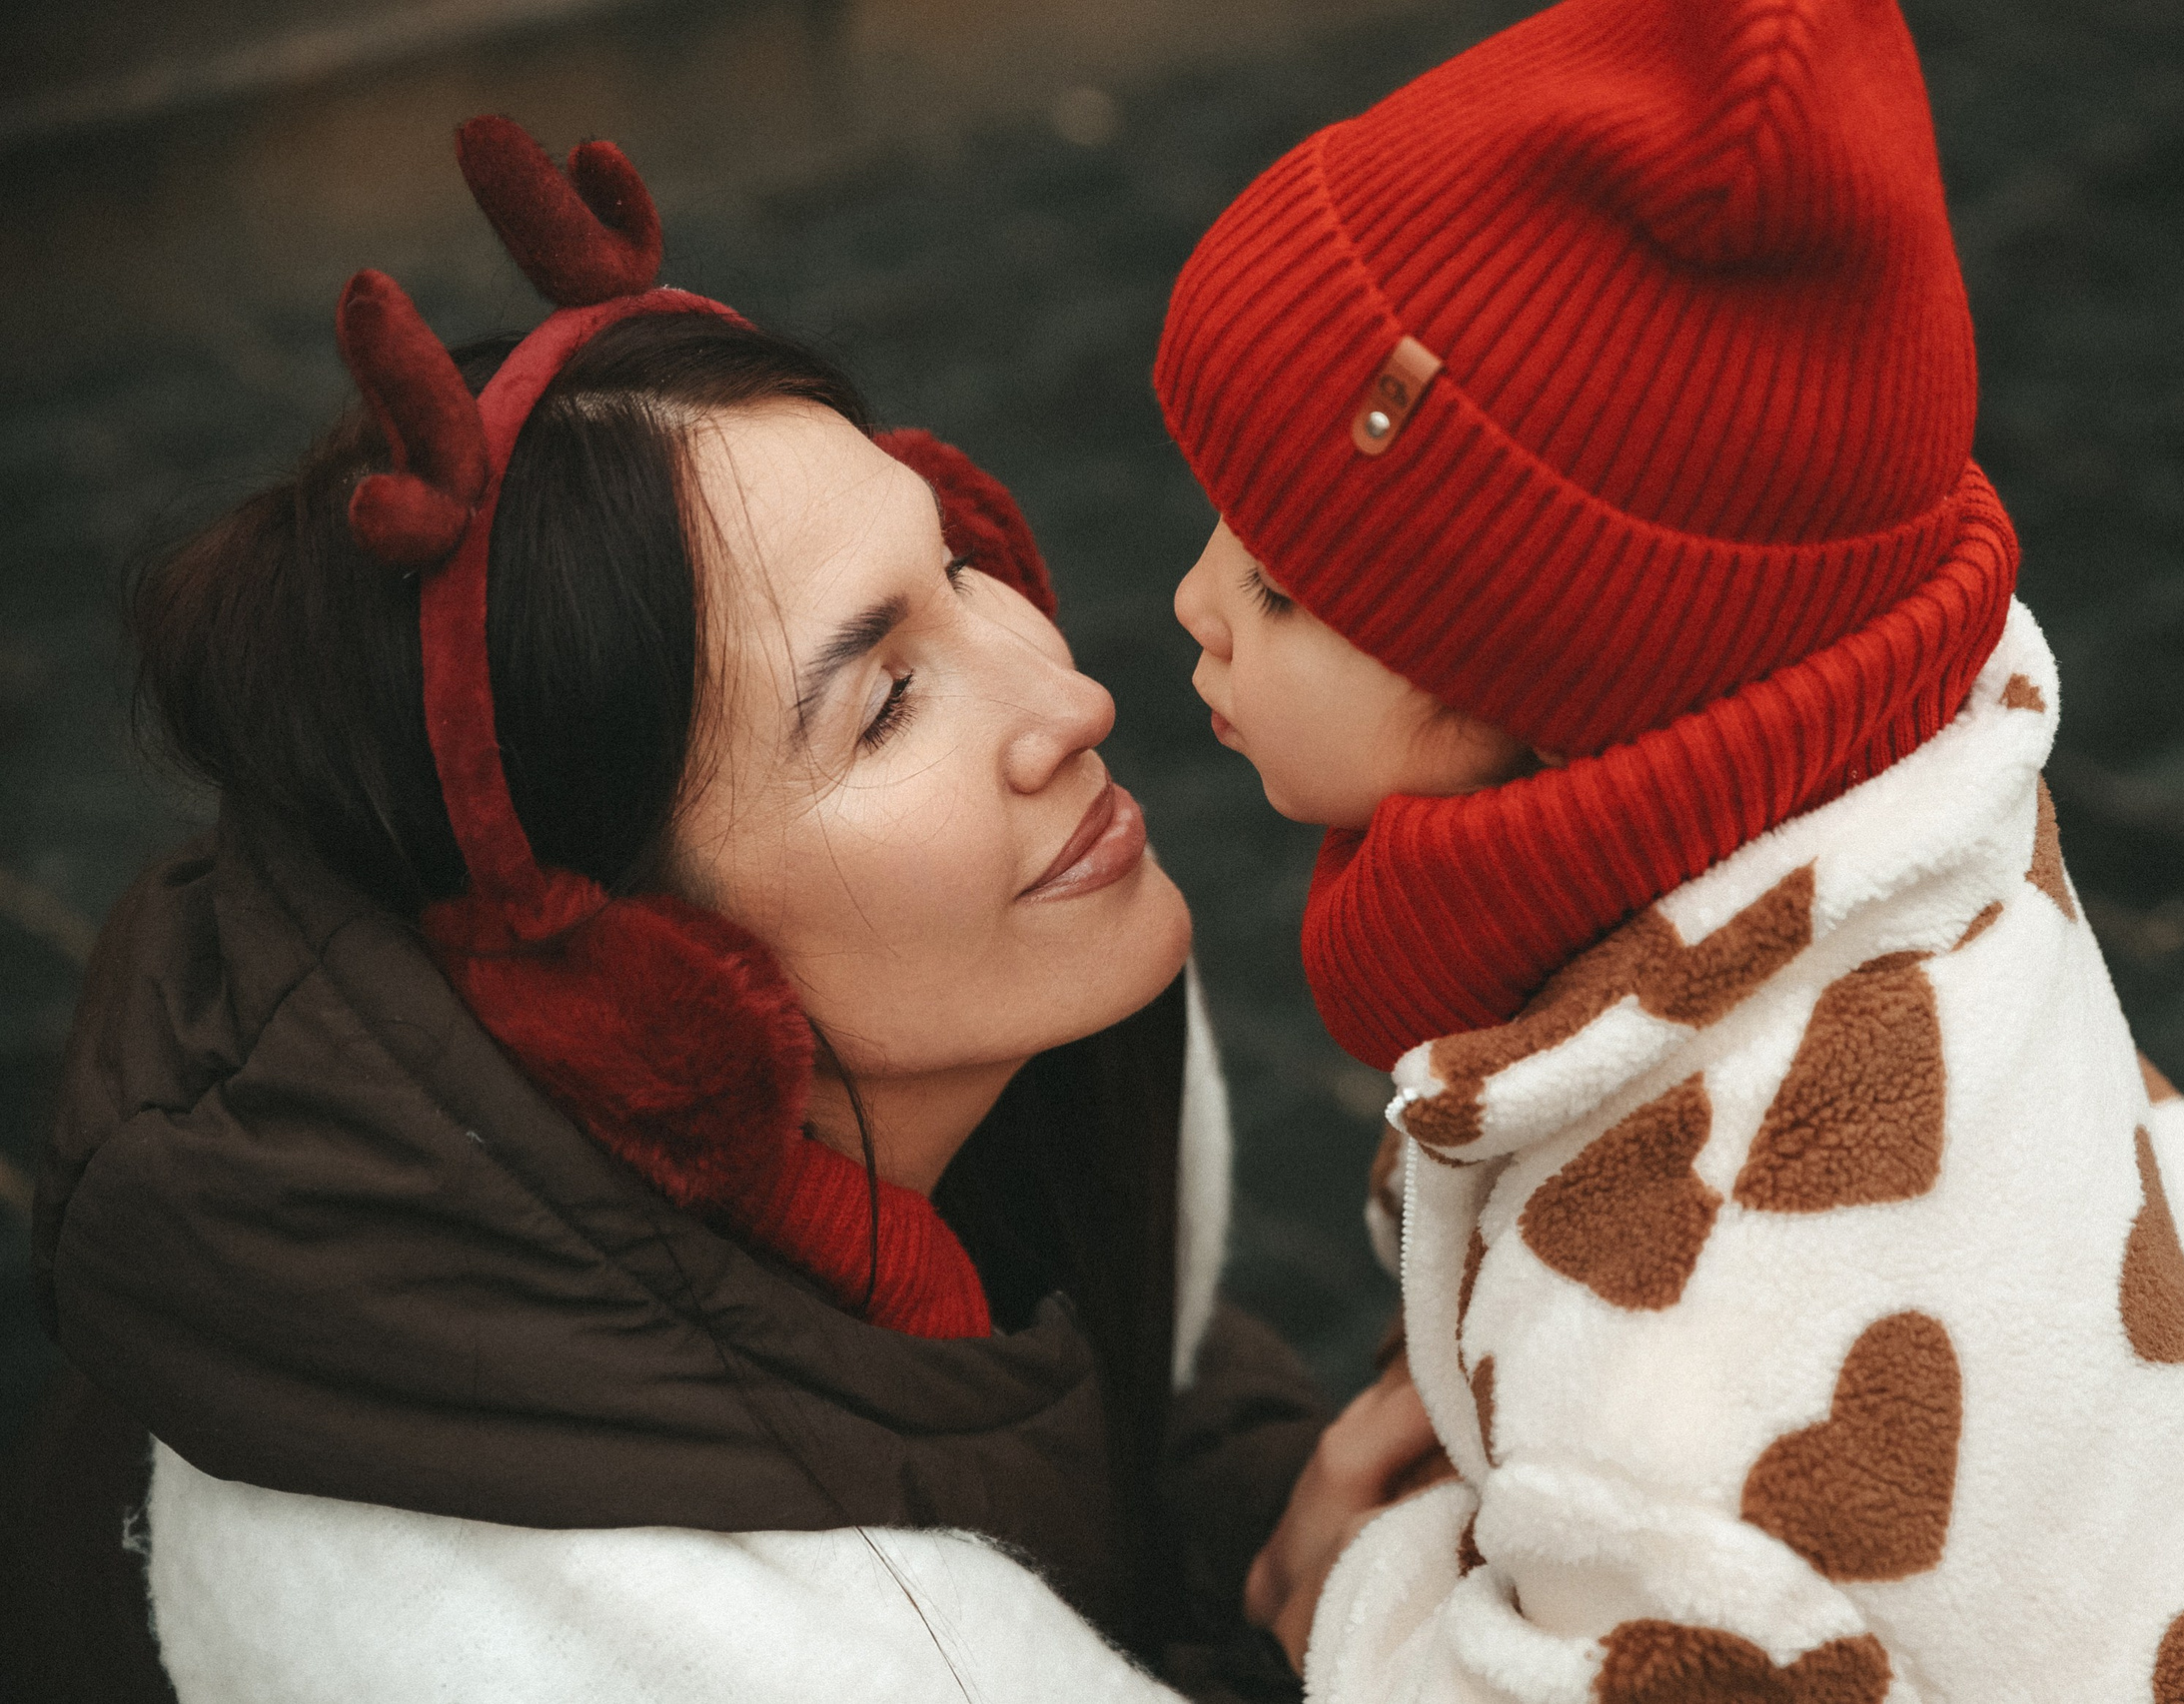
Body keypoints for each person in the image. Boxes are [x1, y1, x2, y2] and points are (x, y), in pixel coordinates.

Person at [1158, 2, 2184, 1699]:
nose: (1188, 602)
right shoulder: (1899, 835)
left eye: (1285, 589)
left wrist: (1373, 1604)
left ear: (1552, 682)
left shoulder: (1685, 1369)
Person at [1, 116, 1324, 1704]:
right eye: (886, 701)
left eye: (966, 569)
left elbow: (1116, 1383)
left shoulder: (965, 1056)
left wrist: (1292, 1495)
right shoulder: (562, 1642)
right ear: (636, 982)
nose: (1076, 693)